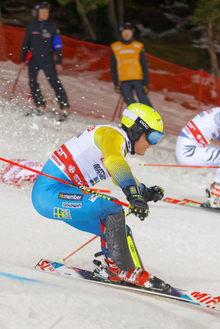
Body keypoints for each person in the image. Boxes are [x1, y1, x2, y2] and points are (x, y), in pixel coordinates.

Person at [31, 103, 168, 291]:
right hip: (49, 194)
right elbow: (114, 162)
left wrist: (144, 192)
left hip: (62, 196)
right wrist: (134, 195)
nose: (153, 143)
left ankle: (118, 271)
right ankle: (122, 269)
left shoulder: (120, 146)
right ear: (137, 129)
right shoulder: (112, 135)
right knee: (111, 208)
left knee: (118, 229)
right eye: (153, 136)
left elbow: (118, 173)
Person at [20, 1, 70, 120]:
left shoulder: (52, 26)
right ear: (38, 13)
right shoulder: (31, 26)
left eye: (46, 12)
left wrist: (59, 61)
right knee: (32, 82)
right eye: (42, 12)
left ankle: (64, 106)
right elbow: (25, 43)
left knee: (54, 82)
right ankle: (40, 105)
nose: (44, 14)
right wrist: (22, 60)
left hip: (48, 60)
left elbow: (58, 46)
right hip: (34, 59)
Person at [110, 22, 152, 108]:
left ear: (132, 33)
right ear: (121, 33)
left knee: (144, 101)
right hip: (124, 81)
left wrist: (145, 83)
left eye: (128, 32)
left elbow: (144, 65)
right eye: (124, 32)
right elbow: (113, 67)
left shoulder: (138, 46)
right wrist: (116, 83)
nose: (126, 34)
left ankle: (153, 120)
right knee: (130, 103)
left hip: (138, 79)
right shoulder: (115, 47)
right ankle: (137, 120)